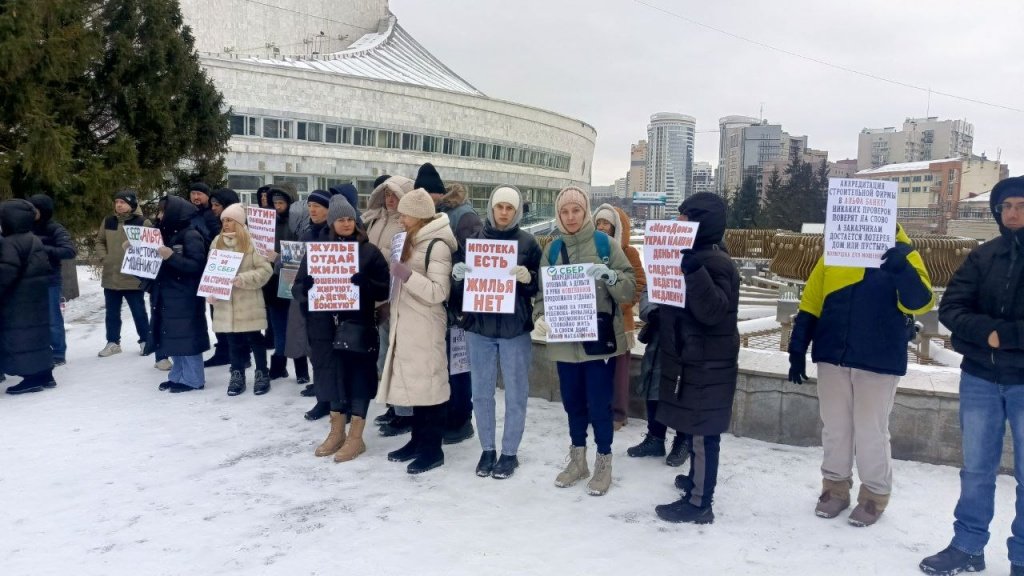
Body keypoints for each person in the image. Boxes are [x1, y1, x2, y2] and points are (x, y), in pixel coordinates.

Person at [788, 222, 933, 527]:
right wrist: (797, 349)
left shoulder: (904, 253)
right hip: (833, 356)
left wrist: (901, 268)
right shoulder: (836, 252)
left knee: (871, 431)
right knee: (835, 427)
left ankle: (874, 495)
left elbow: (920, 301)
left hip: (877, 360)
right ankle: (835, 487)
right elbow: (812, 302)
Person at [920, 176, 1024, 576]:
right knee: (977, 469)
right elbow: (951, 307)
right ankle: (967, 546)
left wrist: (1008, 336)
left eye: (1020, 205)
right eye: (1006, 207)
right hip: (981, 377)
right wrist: (986, 333)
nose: (1012, 214)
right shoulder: (984, 256)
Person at [533, 186, 636, 496]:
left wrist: (613, 277)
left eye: (576, 210)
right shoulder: (552, 250)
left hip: (597, 342)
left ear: (585, 211)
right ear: (558, 215)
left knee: (600, 405)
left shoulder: (605, 245)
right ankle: (578, 458)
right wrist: (541, 316)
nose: (571, 216)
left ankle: (604, 461)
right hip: (565, 343)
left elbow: (630, 289)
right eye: (565, 211)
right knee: (573, 403)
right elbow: (541, 294)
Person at [651, 193, 740, 523]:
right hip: (695, 357)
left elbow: (713, 310)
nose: (679, 223)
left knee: (703, 434)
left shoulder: (714, 262)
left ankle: (700, 503)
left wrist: (692, 269)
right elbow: (683, 304)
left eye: (686, 217)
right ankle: (694, 480)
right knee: (695, 426)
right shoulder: (702, 255)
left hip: (708, 362)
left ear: (702, 223)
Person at [452, 185, 541, 479]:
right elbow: (462, 290)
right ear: (491, 207)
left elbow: (539, 287)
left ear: (517, 212)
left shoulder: (528, 243)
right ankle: (487, 448)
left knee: (516, 393)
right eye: (500, 206)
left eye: (510, 208)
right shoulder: (474, 241)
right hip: (480, 326)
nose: (504, 213)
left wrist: (528, 279)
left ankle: (509, 452)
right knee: (481, 393)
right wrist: (459, 277)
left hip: (515, 328)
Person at [294, 196, 390, 462]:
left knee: (359, 379)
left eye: (350, 219)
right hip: (324, 327)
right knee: (331, 377)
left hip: (358, 327)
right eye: (341, 219)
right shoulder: (317, 251)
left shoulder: (369, 251)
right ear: (332, 222)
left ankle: (356, 437)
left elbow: (385, 287)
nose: (346, 224)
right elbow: (297, 288)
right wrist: (308, 288)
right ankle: (336, 432)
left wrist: (365, 285)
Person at [376, 187, 457, 474]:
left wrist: (407, 275)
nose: (400, 220)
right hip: (407, 323)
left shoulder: (438, 246)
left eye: (405, 215)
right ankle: (417, 440)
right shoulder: (411, 240)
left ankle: (432, 449)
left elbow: (438, 292)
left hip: (425, 326)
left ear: (419, 216)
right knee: (415, 387)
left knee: (430, 388)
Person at [418, 163, 483, 444]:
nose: (425, 198)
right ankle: (448, 414)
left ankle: (462, 419)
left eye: (428, 193)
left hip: (458, 305)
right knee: (444, 363)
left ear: (438, 194)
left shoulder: (463, 217)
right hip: (438, 303)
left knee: (458, 364)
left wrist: (460, 295)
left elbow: (476, 261)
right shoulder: (430, 217)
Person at [362, 175, 416, 435]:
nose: (391, 200)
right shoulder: (376, 218)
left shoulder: (408, 223)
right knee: (386, 356)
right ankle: (396, 406)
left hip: (399, 295)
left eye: (395, 195)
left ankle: (406, 413)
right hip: (379, 294)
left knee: (399, 356)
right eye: (387, 195)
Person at [207, 204, 273, 396]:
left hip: (248, 300)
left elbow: (265, 270)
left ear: (239, 222)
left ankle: (262, 373)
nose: (225, 224)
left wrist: (243, 279)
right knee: (232, 340)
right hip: (225, 302)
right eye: (224, 220)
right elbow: (211, 269)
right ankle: (237, 374)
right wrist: (212, 288)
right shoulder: (216, 242)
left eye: (229, 220)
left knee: (254, 339)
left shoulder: (253, 242)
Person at [593, 204, 647, 431]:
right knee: (594, 369)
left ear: (616, 226)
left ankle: (618, 413)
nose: (602, 227)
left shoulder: (629, 252)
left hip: (619, 322)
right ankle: (595, 408)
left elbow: (639, 284)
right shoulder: (590, 250)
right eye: (599, 223)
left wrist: (621, 304)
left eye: (606, 223)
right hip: (594, 321)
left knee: (619, 371)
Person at [151, 195, 210, 393]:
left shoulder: (191, 235)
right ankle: (177, 375)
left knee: (187, 336)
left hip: (185, 294)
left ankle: (194, 379)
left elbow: (196, 266)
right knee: (173, 337)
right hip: (167, 291)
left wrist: (171, 258)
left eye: (162, 211)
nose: (159, 216)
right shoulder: (164, 234)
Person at [626, 289, 690, 467]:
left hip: (687, 340)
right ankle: (655, 437)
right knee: (654, 387)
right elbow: (648, 291)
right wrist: (653, 312)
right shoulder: (660, 263)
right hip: (659, 338)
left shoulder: (700, 266)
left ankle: (683, 440)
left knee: (682, 391)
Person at [1, 199, 57, 394]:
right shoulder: (32, 238)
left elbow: (6, 272)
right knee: (38, 336)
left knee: (22, 337)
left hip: (17, 300)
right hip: (35, 295)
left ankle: (31, 379)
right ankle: (45, 374)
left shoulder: (10, 243)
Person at [96, 190, 153, 358]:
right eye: (116, 202)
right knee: (111, 313)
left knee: (138, 311)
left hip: (132, 277)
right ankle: (113, 342)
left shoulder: (143, 222)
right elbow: (100, 240)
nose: (119, 205)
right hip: (111, 275)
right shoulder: (108, 221)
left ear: (132, 205)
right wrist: (104, 257)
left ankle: (145, 341)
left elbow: (150, 247)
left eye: (123, 202)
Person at [296, 189, 334, 420]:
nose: (313, 209)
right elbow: (295, 274)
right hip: (312, 307)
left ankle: (339, 402)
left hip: (336, 307)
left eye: (318, 205)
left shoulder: (338, 236)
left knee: (336, 358)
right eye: (310, 205)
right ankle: (323, 400)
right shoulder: (307, 235)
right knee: (318, 357)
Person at [265, 187, 309, 384]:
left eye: (281, 203)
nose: (278, 207)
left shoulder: (298, 223)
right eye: (275, 203)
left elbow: (300, 254)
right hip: (273, 281)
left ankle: (301, 370)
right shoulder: (268, 224)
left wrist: (278, 258)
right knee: (279, 326)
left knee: (296, 327)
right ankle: (278, 366)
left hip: (293, 281)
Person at [28, 194, 76, 367]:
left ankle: (58, 353)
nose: (31, 213)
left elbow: (69, 251)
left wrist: (42, 249)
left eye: (35, 209)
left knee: (53, 319)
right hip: (27, 280)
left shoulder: (54, 228)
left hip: (49, 279)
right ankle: (37, 351)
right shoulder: (23, 227)